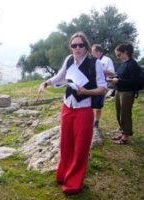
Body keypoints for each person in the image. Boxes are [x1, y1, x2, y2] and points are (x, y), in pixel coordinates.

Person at [38, 32, 107, 195]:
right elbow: (60, 76)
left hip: (84, 109)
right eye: (73, 45)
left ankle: (74, 182)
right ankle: (64, 174)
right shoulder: (69, 59)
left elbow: (103, 88)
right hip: (67, 107)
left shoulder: (95, 63)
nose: (77, 48)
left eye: (80, 45)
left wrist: (87, 92)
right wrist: (46, 83)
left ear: (86, 46)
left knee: (81, 147)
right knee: (66, 143)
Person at [108, 43, 140, 144]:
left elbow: (134, 81)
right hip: (119, 91)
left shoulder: (133, 64)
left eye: (119, 55)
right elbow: (120, 75)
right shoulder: (123, 63)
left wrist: (118, 81)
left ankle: (126, 137)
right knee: (119, 113)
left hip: (127, 93)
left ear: (126, 52)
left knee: (125, 114)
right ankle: (123, 132)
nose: (118, 57)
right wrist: (113, 77)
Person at [91, 44, 115, 128]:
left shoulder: (107, 60)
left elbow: (112, 73)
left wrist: (100, 69)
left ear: (98, 52)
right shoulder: (91, 60)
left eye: (93, 52)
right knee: (89, 104)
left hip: (102, 85)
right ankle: (89, 120)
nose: (91, 53)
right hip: (92, 85)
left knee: (98, 104)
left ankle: (96, 121)